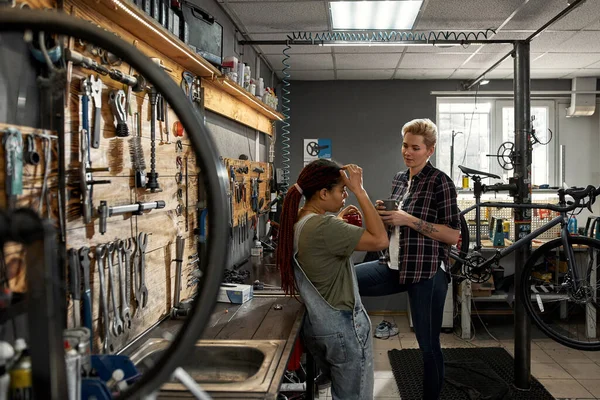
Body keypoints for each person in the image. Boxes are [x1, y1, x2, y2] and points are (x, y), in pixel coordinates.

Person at [355, 118, 460, 400]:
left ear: (430, 150)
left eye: (415, 147)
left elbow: (452, 235)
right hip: (393, 265)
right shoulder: (400, 179)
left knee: (428, 345)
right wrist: (386, 216)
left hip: (426, 273)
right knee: (347, 279)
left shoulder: (441, 182)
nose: (408, 152)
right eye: (405, 145)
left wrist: (408, 219)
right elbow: (395, 227)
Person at [277, 159, 388, 400]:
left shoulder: (299, 220)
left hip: (319, 326)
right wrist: (361, 191)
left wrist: (337, 219)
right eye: (342, 190)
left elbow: (321, 240)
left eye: (349, 190)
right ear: (323, 193)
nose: (346, 195)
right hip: (343, 328)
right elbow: (380, 240)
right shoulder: (323, 226)